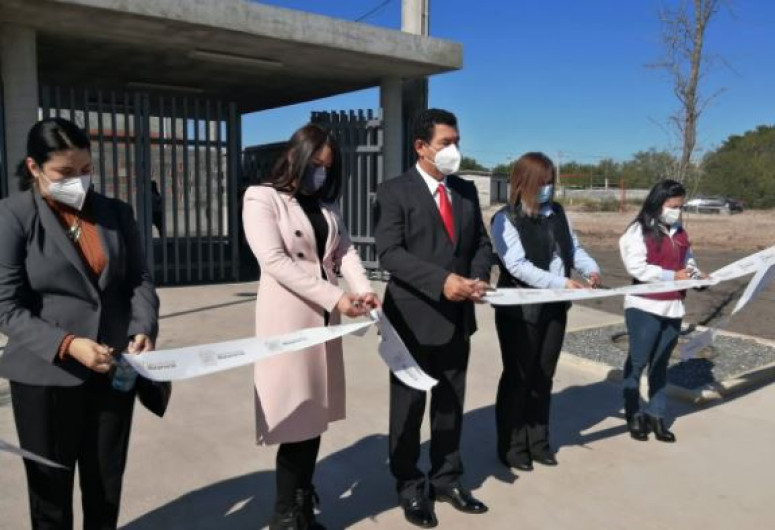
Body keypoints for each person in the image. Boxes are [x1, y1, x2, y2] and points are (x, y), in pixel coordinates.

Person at [0, 117, 160, 529]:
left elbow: (138, 278)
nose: (79, 180)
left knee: (105, 485)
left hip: (112, 369)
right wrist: (69, 344)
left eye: (86, 170)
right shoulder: (13, 216)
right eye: (65, 173)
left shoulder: (115, 213)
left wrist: (142, 325)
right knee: (50, 495)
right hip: (46, 375)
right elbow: (6, 305)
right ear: (35, 168)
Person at [242, 123, 379, 530]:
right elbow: (274, 261)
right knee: (294, 420)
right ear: (296, 157)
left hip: (325, 321)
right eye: (316, 163)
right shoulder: (262, 198)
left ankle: (302, 507)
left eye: (327, 166)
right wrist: (336, 297)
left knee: (314, 419)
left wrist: (363, 289)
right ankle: (286, 515)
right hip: (289, 320)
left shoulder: (326, 206)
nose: (321, 172)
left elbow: (345, 251)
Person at [374, 109, 493, 528]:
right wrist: (442, 281)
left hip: (458, 317)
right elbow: (389, 252)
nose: (454, 150)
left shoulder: (464, 190)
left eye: (457, 140)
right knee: (407, 409)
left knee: (451, 404)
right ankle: (409, 485)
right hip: (411, 319)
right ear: (421, 147)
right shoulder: (394, 192)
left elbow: (480, 241)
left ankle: (447, 478)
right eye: (445, 143)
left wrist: (477, 278)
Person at [490, 152, 601, 472]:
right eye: (542, 183)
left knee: (543, 375)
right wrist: (561, 283)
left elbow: (573, 249)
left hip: (554, 308)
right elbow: (517, 265)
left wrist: (590, 269)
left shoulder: (558, 214)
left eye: (551, 183)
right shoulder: (505, 219)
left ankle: (538, 442)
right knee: (519, 377)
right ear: (523, 183)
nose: (547, 189)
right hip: (520, 311)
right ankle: (511, 446)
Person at [619, 179, 705, 443]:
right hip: (644, 307)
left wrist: (697, 276)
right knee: (638, 362)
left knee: (660, 365)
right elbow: (637, 267)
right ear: (658, 203)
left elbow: (687, 262)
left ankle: (657, 415)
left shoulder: (679, 232)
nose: (677, 210)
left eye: (680, 206)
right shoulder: (638, 231)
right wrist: (672, 276)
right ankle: (634, 413)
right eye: (672, 205)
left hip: (673, 307)